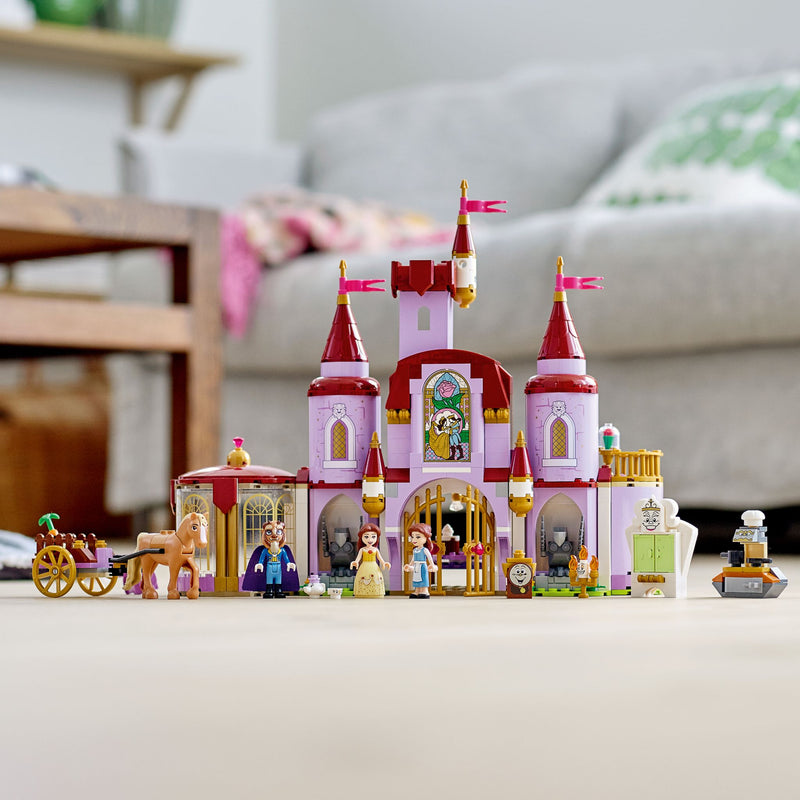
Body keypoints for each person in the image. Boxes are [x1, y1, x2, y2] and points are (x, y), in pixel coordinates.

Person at [349, 523, 391, 597]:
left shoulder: (375, 549)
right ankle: (363, 593)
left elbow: (380, 558)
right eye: (366, 537)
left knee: (375, 578)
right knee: (363, 578)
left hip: (374, 566)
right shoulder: (362, 549)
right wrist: (355, 562)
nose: (370, 539)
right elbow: (358, 558)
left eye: (373, 536)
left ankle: (375, 593)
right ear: (361, 537)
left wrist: (384, 563)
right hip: (364, 566)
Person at [403, 522, 437, 598]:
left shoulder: (424, 550)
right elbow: (413, 559)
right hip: (416, 566)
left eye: (418, 537)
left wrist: (432, 565)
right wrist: (409, 565)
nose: (414, 539)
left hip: (422, 566)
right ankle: (417, 591)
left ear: (426, 538)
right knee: (416, 578)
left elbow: (429, 558)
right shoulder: (415, 550)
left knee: (423, 578)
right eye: (412, 537)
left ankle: (425, 591)